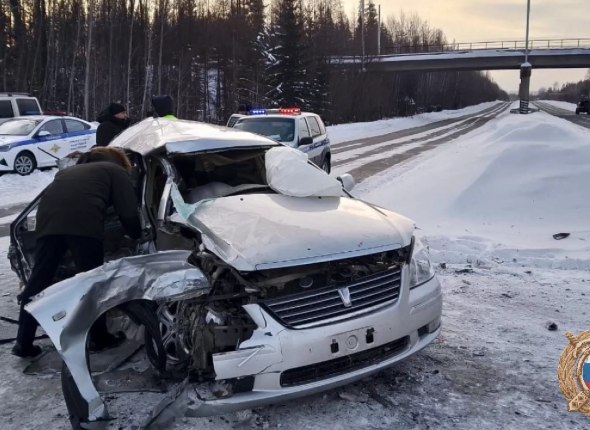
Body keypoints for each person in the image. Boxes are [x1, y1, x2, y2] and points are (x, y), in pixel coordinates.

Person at [12, 147, 142, 358]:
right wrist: (136, 233)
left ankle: (22, 342)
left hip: (47, 222)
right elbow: (127, 210)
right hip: (82, 223)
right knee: (91, 282)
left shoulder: (69, 172)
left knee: (38, 281)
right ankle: (99, 338)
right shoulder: (115, 171)